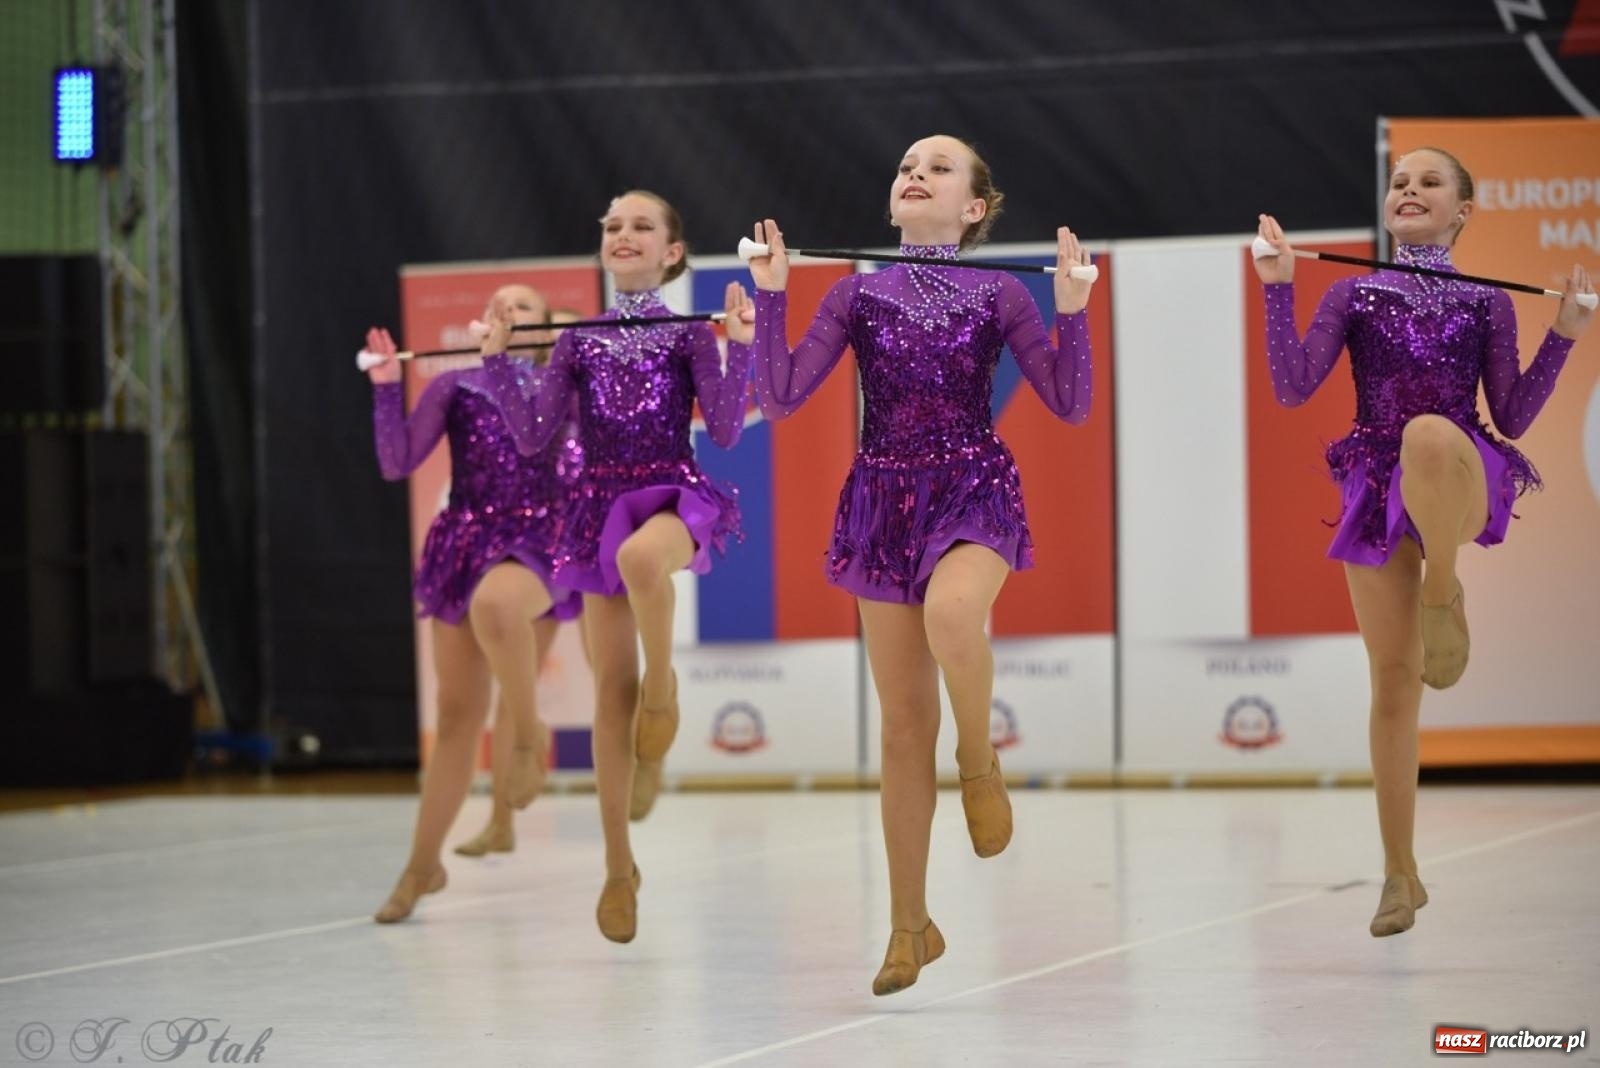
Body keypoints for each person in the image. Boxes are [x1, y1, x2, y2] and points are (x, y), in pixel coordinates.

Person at [734, 134, 1095, 994]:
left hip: (972, 484)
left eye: (936, 168)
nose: (913, 175)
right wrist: (776, 300)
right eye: (904, 167)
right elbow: (780, 396)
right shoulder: (857, 294)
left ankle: (980, 760)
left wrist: (1073, 308)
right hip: (882, 500)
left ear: (973, 208)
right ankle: (910, 926)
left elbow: (1070, 402)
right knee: (900, 730)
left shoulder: (1002, 289)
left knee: (952, 616)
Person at [1253, 146, 1594, 936]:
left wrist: (1566, 334)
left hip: (1461, 470)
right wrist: (1277, 292)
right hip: (1376, 484)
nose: (1408, 190)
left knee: (1433, 434)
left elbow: (1510, 416)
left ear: (1463, 210)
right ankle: (1400, 872)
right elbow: (1293, 384)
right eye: (1399, 182)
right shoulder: (1353, 291)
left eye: (1428, 182)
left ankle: (1445, 584)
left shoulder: (1486, 303)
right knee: (1395, 678)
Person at [481, 190, 754, 942]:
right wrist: (500, 367)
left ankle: (665, 692)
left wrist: (742, 343)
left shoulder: (689, 336)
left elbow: (727, 426)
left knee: (642, 560)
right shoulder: (576, 341)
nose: (623, 235)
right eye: (611, 227)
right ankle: (617, 867)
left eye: (641, 226)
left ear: (672, 252)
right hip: (596, 505)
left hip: (671, 495)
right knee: (610, 690)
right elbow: (536, 439)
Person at [365, 283, 581, 922]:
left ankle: (526, 738)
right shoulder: (453, 386)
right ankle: (420, 866)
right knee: (458, 718)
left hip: (540, 537)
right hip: (464, 539)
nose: (507, 313)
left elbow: (560, 448)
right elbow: (397, 462)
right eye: (499, 306)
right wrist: (383, 387)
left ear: (545, 332)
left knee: (499, 607)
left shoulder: (560, 387)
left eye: (523, 308)